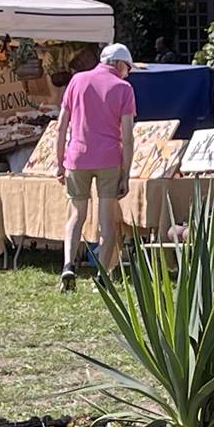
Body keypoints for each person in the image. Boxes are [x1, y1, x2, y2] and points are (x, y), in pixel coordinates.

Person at [56, 42, 136, 288]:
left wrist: (59, 162)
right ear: (119, 64)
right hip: (109, 159)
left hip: (77, 157)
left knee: (76, 214)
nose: (127, 73)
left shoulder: (77, 80)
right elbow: (127, 136)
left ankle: (68, 266)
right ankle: (102, 275)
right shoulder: (124, 88)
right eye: (128, 68)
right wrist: (126, 173)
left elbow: (61, 127)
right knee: (106, 219)